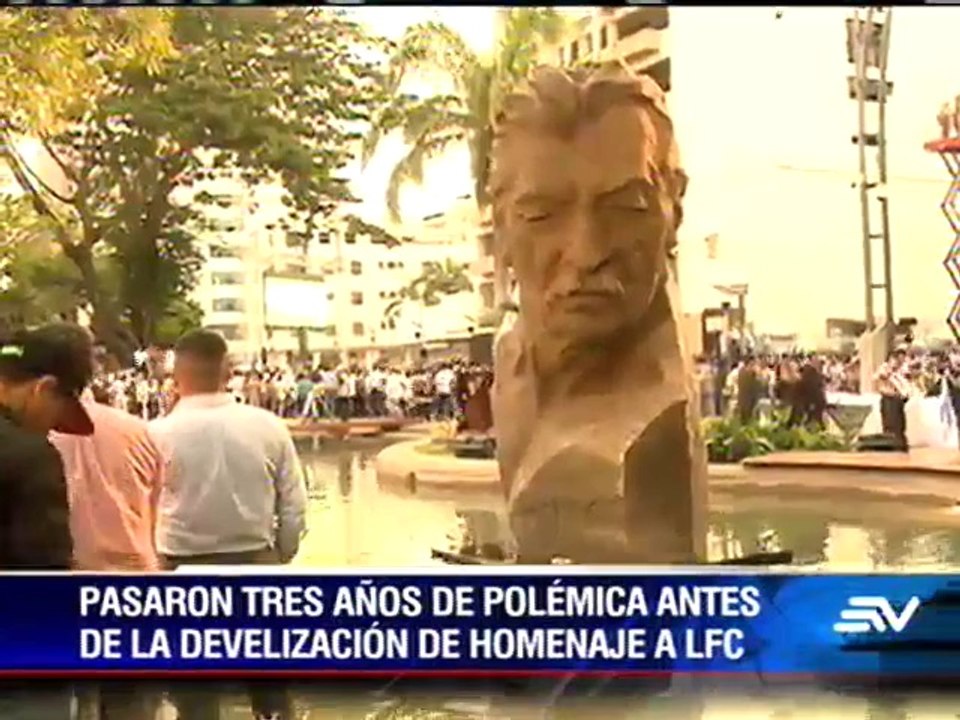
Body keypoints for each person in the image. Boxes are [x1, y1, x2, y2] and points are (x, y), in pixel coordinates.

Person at [150, 329, 308, 720]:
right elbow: (294, 507)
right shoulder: (268, 426)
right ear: (228, 369)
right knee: (270, 691)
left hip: (180, 568)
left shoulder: (155, 435)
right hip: (255, 563)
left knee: (195, 696)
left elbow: (142, 509)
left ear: (176, 376)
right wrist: (278, 556)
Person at [51, 385, 164, 720]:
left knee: (72, 700)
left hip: (67, 580)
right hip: (134, 580)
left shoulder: (35, 435)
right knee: (134, 703)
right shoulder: (137, 430)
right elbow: (153, 510)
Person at [0, 323, 94, 719]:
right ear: (43, 388)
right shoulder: (30, 455)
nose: (53, 428)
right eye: (57, 413)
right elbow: (42, 574)